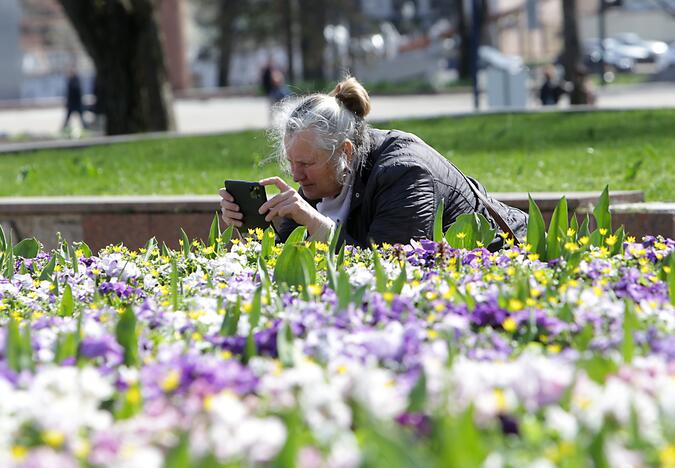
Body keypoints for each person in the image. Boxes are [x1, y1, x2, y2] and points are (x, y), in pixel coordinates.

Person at [219, 76, 528, 251]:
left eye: (306, 163)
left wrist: (316, 225)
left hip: (508, 258)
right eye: (291, 162)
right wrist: (253, 226)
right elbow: (289, 256)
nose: (297, 175)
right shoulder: (319, 176)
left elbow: (390, 266)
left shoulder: (404, 173)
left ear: (346, 152)